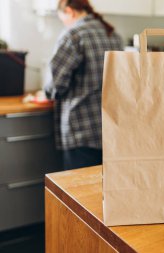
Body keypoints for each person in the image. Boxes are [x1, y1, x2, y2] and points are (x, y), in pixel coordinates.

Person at [44, 0, 124, 170]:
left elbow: (55, 85)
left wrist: (46, 92)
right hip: (111, 128)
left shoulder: (73, 35)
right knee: (101, 191)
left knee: (76, 192)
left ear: (69, 11)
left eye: (62, 18)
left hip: (81, 129)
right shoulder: (113, 34)